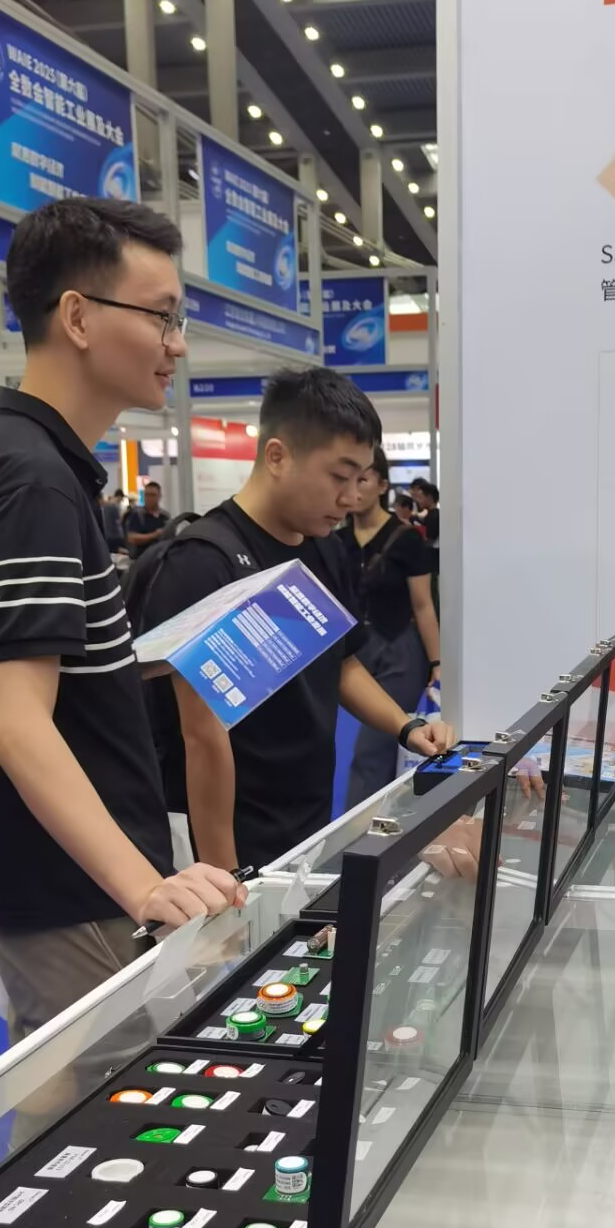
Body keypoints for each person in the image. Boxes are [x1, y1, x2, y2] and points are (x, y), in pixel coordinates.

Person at [0, 196, 244, 1047]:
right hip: (75, 892)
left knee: (64, 1101)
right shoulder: (33, 479)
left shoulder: (36, 464)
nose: (177, 345)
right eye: (162, 317)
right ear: (77, 317)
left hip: (71, 881)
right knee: (92, 1106)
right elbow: (17, 722)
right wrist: (143, 888)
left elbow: (50, 670)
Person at [134, 366, 455, 870]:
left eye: (360, 480)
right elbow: (202, 738)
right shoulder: (203, 563)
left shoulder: (323, 549)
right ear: (278, 456)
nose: (350, 498)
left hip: (306, 820)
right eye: (338, 477)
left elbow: (340, 662)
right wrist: (226, 878)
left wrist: (405, 725)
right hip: (227, 841)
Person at [341, 446, 441, 805]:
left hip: (399, 650)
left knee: (373, 750)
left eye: (363, 479)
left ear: (382, 485)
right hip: (350, 653)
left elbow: (423, 605)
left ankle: (362, 833)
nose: (353, 489)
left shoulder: (407, 539)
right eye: (345, 479)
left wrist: (437, 663)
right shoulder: (334, 541)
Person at [124, 479, 169, 558]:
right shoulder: (137, 514)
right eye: (147, 495)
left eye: (153, 495)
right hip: (141, 559)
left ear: (159, 496)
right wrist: (154, 535)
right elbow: (131, 538)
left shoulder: (165, 516)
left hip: (161, 559)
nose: (149, 498)